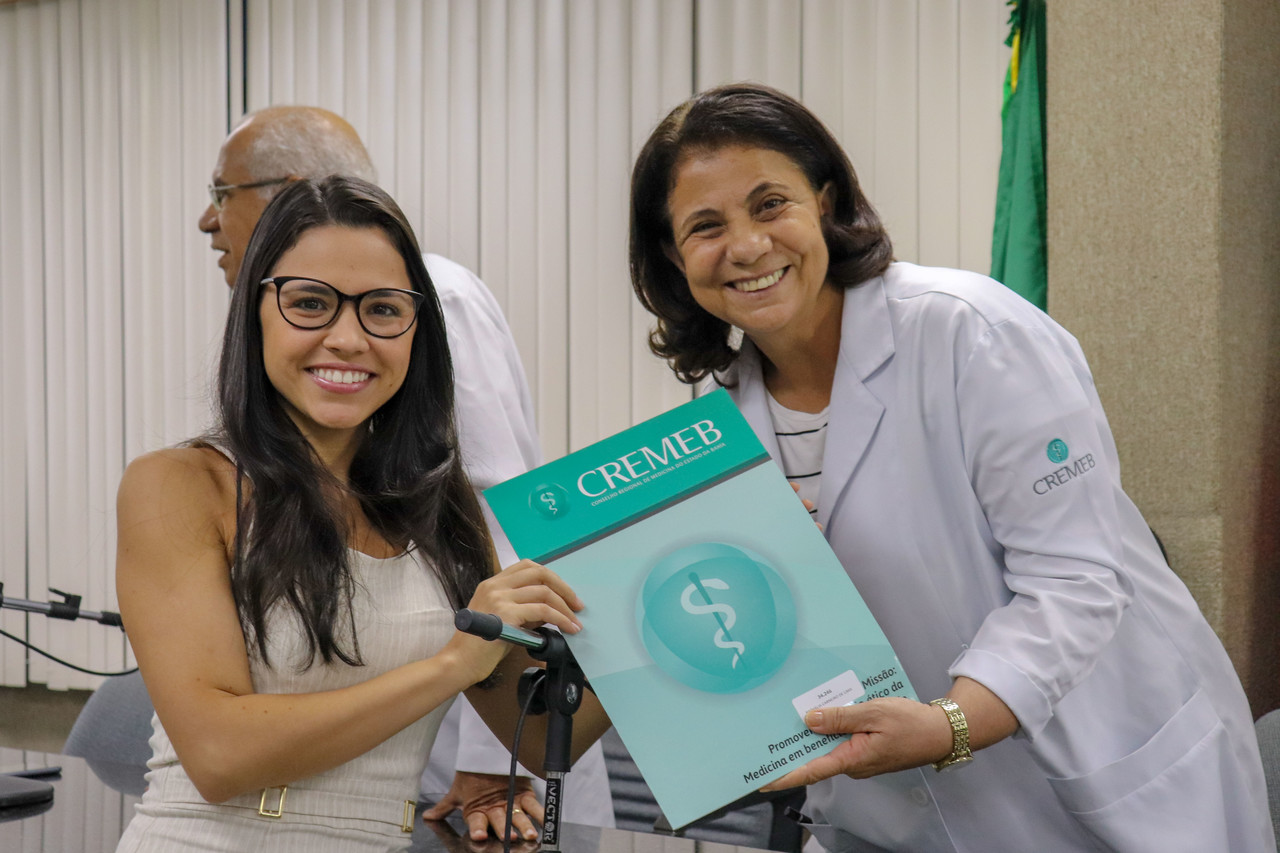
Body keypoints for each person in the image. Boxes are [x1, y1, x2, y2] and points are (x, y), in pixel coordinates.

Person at [628, 83, 1274, 853]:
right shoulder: (715, 440)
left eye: (771, 205)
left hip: (1100, 799)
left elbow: (1075, 581)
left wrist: (950, 725)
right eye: (705, 226)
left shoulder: (970, 332)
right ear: (675, 256)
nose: (746, 246)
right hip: (887, 819)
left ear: (825, 203)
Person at [116, 175, 609, 851]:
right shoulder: (180, 484)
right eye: (310, 303)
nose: (348, 339)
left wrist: (659, 588)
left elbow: (548, 733)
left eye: (382, 309)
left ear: (417, 331)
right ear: (255, 312)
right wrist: (450, 665)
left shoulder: (439, 507)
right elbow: (218, 755)